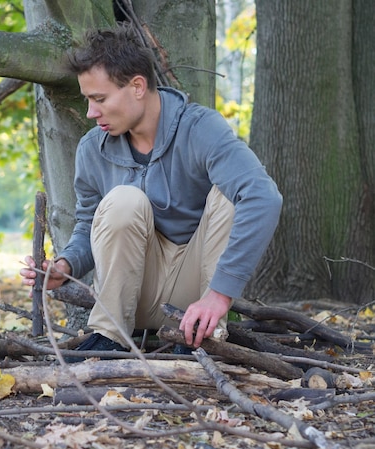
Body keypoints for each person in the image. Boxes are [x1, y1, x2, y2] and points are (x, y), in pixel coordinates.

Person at [20, 24, 282, 360]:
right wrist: (65, 265)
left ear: (138, 86)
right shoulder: (91, 149)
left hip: (196, 298)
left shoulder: (201, 128)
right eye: (88, 100)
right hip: (131, 296)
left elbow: (263, 198)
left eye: (99, 99)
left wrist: (220, 294)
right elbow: (89, 225)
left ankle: (202, 337)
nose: (91, 112)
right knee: (123, 200)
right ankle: (108, 340)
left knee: (233, 194)